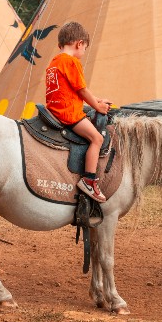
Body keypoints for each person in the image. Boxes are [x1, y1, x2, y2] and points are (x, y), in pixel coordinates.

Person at [45, 21, 112, 203]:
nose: (83, 53)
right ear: (79, 43)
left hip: (55, 109)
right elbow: (82, 90)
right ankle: (89, 180)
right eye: (84, 48)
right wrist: (98, 107)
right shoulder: (72, 62)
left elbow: (74, 91)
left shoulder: (54, 62)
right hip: (68, 114)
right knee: (97, 139)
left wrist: (96, 99)